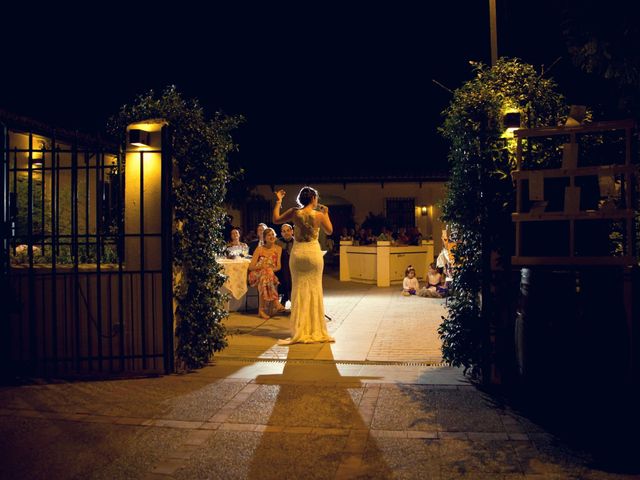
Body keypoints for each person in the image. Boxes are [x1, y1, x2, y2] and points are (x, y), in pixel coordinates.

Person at [272, 186, 334, 345]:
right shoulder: (319, 215)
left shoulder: (294, 212)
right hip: (313, 253)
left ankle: (301, 329)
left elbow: (275, 220)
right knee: (314, 289)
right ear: (313, 198)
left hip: (298, 253)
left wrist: (279, 201)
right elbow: (329, 231)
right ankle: (315, 329)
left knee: (298, 290)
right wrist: (326, 214)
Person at [248, 227, 286, 319]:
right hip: (256, 274)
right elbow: (251, 267)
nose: (271, 236)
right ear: (264, 238)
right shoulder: (259, 249)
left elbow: (278, 266)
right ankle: (276, 302)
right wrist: (262, 266)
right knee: (266, 275)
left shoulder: (278, 249)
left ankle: (261, 311)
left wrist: (268, 270)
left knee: (265, 278)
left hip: (268, 275)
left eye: (273, 234)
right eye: (269, 235)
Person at [275, 223, 294, 309]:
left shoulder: (297, 242)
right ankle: (287, 296)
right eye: (284, 231)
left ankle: (286, 297)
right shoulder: (277, 242)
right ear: (281, 233)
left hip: (294, 267)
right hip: (280, 268)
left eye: (288, 231)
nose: (286, 233)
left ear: (292, 231)